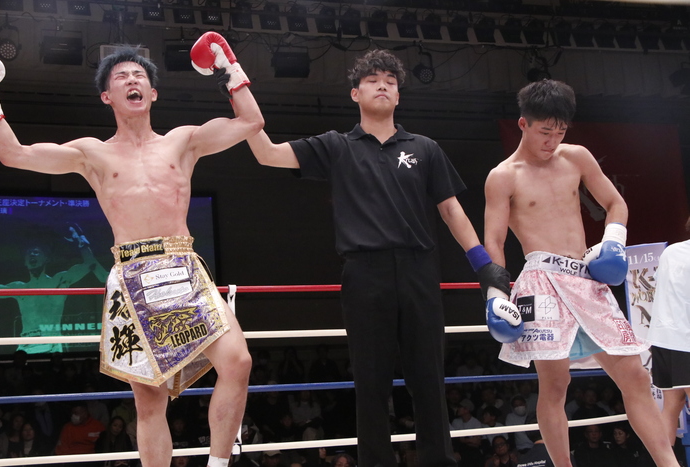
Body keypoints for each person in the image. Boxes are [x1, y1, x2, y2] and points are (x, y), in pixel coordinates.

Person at [0, 30, 263, 467]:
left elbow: (250, 123)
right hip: (132, 274)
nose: (132, 79)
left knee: (238, 361)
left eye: (139, 75)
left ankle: (217, 464)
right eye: (121, 76)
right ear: (107, 96)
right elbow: (14, 154)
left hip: (183, 265)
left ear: (152, 93)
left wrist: (228, 67)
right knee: (150, 401)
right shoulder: (92, 153)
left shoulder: (183, 140)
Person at [246, 48, 517, 467]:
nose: (383, 86)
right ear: (355, 93)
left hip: (418, 271)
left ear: (399, 95)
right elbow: (267, 153)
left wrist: (484, 265)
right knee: (371, 382)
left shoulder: (424, 148)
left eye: (390, 81)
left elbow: (451, 210)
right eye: (373, 80)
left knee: (428, 378)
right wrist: (237, 87)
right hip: (364, 273)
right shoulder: (336, 146)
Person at [483, 78, 679, 466]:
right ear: (523, 124)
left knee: (635, 374)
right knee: (555, 384)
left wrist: (613, 242)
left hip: (586, 278)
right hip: (540, 281)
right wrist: (496, 293)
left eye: (559, 132)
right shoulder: (503, 176)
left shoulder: (576, 157)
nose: (552, 140)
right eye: (545, 131)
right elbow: (494, 238)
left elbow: (615, 203)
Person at [0, 225, 108, 354]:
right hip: (26, 343)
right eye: (29, 253)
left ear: (46, 259)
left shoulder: (59, 281)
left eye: (36, 252)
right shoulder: (19, 287)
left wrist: (80, 241)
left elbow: (90, 264)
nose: (32, 255)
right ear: (25, 262)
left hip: (51, 340)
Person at [646, 215, 690, 445]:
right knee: (673, 405)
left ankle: (665, 460)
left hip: (662, 339)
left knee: (672, 405)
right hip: (684, 339)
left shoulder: (670, 252)